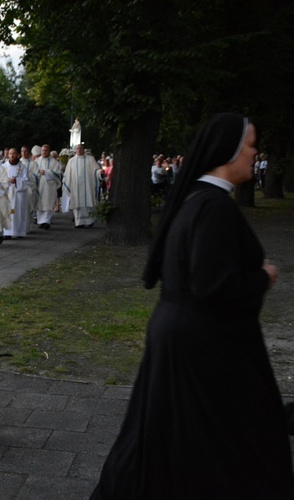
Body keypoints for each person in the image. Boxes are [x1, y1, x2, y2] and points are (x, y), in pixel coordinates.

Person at [92, 113, 294, 499]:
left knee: (175, 431)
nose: (255, 152)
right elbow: (212, 284)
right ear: (229, 151)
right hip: (203, 342)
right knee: (221, 432)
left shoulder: (197, 199)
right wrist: (263, 277)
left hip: (185, 334)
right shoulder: (212, 206)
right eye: (250, 145)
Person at [63, 144, 100, 228]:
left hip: (87, 185)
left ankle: (89, 221)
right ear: (75, 150)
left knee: (88, 202)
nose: (79, 150)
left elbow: (96, 170)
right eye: (77, 148)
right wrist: (66, 180)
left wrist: (99, 172)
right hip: (75, 186)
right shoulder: (71, 161)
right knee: (77, 204)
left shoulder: (90, 159)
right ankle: (79, 222)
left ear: (84, 149)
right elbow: (68, 173)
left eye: (80, 148)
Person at [3, 147, 33, 238]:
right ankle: (7, 232)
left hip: (19, 193)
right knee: (7, 212)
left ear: (17, 155)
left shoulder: (22, 167)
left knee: (19, 212)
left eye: (14, 153)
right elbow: (0, 179)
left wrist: (16, 180)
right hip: (8, 192)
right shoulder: (4, 167)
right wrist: (7, 180)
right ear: (8, 155)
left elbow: (26, 180)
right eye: (10, 154)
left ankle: (19, 232)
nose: (12, 155)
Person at [36, 144, 62, 229]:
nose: (44, 152)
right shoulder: (37, 161)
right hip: (39, 185)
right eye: (43, 150)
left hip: (49, 186)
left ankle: (47, 221)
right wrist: (39, 173)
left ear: (49, 151)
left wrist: (47, 172)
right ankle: (41, 221)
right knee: (40, 204)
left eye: (46, 150)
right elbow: (33, 172)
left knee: (48, 203)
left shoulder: (54, 162)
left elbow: (58, 174)